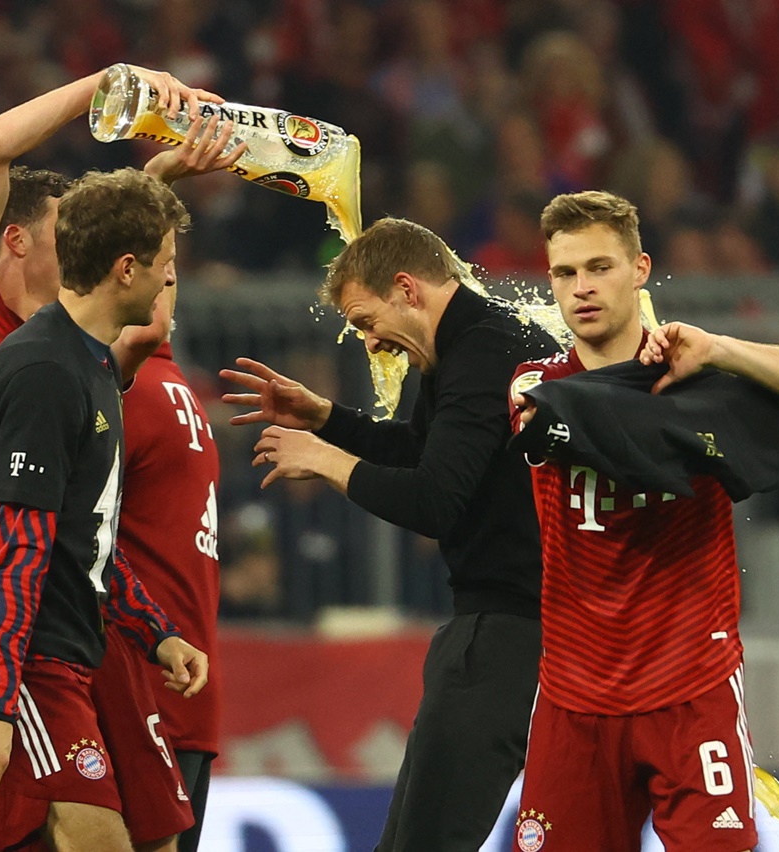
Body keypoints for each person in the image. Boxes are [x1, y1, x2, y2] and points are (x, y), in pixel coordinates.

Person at [0, 63, 240, 851]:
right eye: (64, 241)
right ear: (18, 238)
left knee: (148, 831)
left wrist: (159, 178)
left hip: (73, 606)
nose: (78, 258)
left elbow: (119, 270)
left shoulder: (84, 356)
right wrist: (108, 82)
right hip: (1, 613)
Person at [507, 190, 779, 852]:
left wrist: (720, 351)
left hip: (692, 688)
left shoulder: (698, 379)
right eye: (565, 272)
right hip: (574, 700)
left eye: (599, 267)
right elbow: (553, 415)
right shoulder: (535, 386)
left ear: (640, 269)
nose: (581, 288)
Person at [220, 216, 559, 852]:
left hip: (505, 635)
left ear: (407, 288)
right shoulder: (477, 342)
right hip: (509, 627)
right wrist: (325, 418)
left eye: (367, 321)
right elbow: (422, 449)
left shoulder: (482, 351)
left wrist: (326, 462)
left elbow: (434, 498)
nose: (371, 344)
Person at [113, 281, 221, 852]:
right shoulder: (166, 390)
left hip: (159, 683)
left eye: (171, 276)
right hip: (159, 685)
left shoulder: (139, 388)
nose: (160, 288)